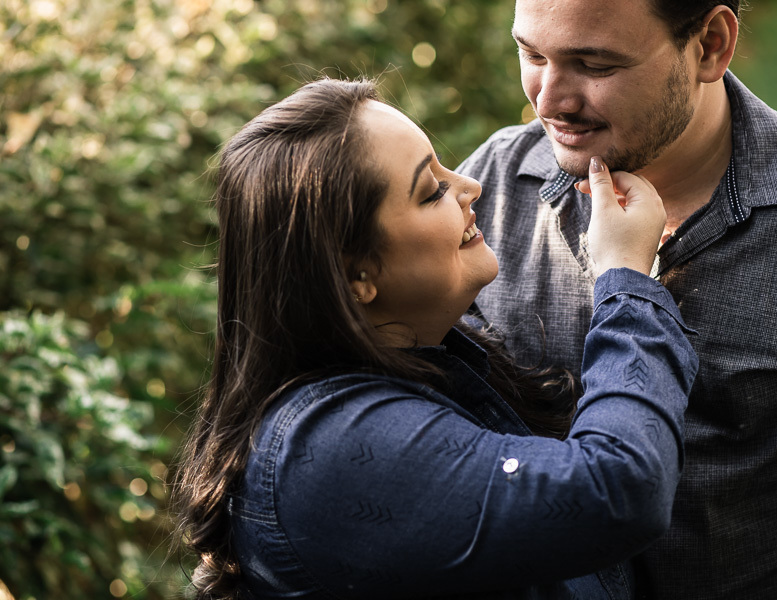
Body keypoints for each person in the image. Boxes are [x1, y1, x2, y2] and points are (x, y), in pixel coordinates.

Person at [170, 78, 699, 599]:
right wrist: (626, 278)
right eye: (431, 191)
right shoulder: (335, 449)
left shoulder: (431, 370)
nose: (472, 188)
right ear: (355, 276)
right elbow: (618, 490)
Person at [455, 0, 777, 598]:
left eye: (593, 64)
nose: (549, 100)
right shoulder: (493, 190)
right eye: (532, 54)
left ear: (710, 44)